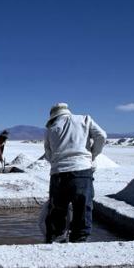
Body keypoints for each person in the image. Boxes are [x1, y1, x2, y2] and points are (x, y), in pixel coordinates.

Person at [43, 103, 106, 243]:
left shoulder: (51, 128)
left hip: (58, 173)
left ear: (54, 116)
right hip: (82, 171)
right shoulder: (85, 119)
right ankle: (79, 241)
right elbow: (101, 136)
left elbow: (47, 152)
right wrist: (91, 155)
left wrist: (57, 162)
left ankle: (57, 239)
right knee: (82, 208)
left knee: (58, 210)